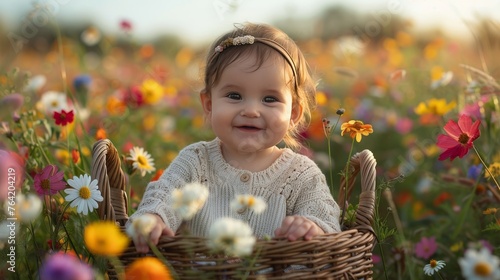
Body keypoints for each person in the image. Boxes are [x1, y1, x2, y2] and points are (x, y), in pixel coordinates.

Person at [130, 22, 341, 253]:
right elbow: (165, 193)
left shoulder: (300, 174)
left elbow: (326, 218)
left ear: (293, 113)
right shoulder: (195, 161)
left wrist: (312, 226)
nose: (251, 110)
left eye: (270, 99)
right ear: (209, 105)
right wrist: (154, 217)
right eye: (234, 95)